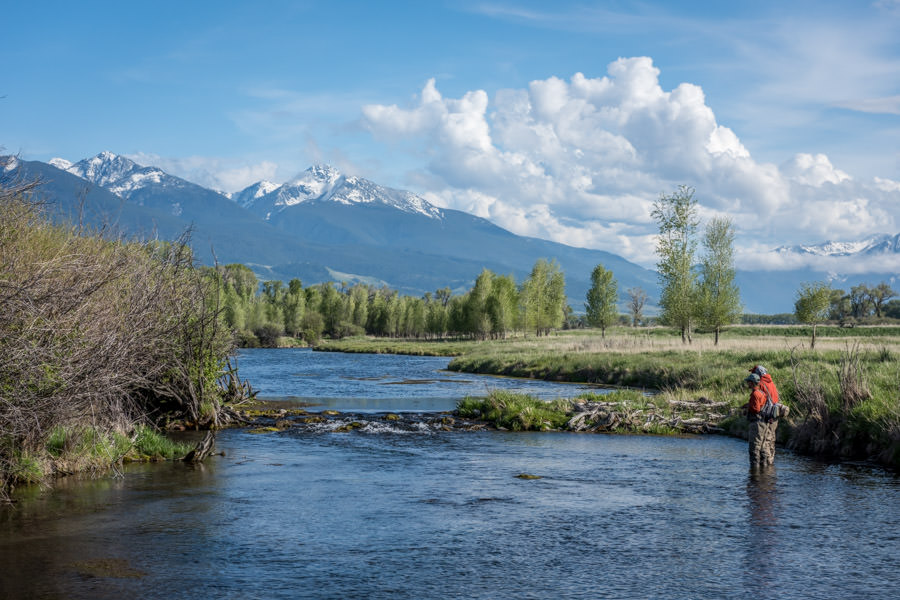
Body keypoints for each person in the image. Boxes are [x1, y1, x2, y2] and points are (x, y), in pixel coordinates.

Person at [749, 365, 784, 464]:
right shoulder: (771, 382)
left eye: (753, 373)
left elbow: (759, 404)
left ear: (758, 374)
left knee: (763, 445)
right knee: (770, 442)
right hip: (774, 415)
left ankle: (761, 472)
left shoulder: (761, 384)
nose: (752, 374)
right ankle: (769, 469)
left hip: (767, 417)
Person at [744, 372, 776, 467]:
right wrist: (748, 405)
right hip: (763, 423)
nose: (747, 384)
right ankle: (765, 470)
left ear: (752, 383)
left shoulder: (755, 394)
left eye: (748, 382)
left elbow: (756, 409)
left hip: (757, 424)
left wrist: (747, 409)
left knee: (754, 449)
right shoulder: (762, 392)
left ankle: (755, 472)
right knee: (762, 448)